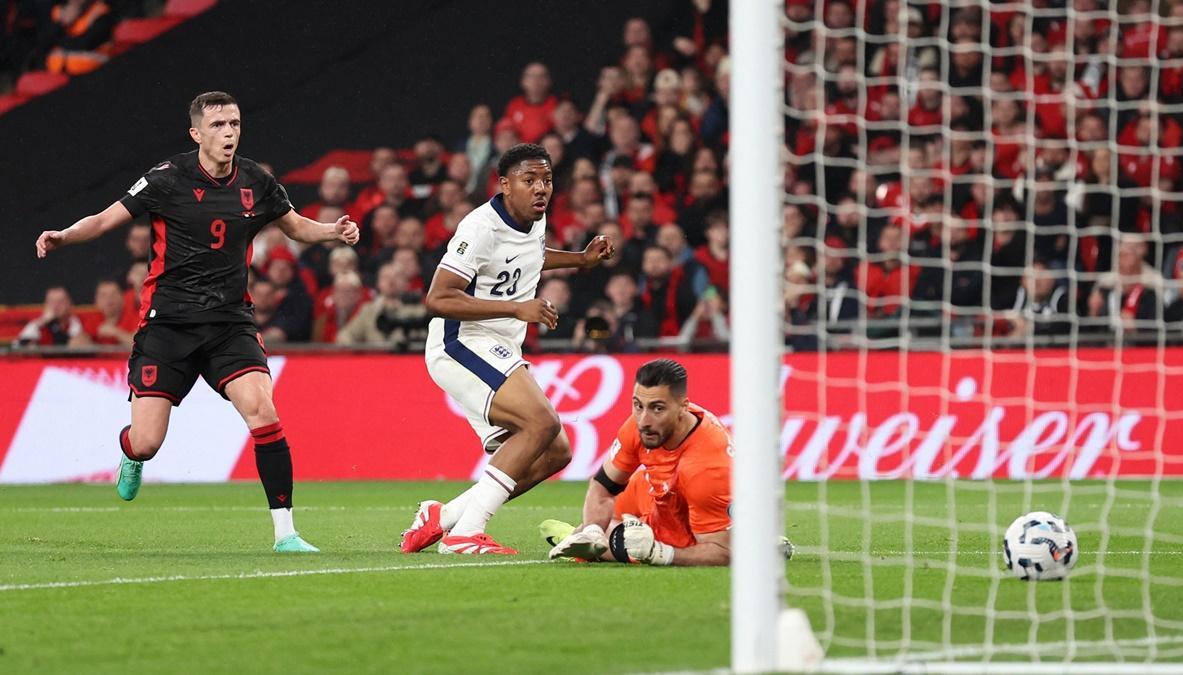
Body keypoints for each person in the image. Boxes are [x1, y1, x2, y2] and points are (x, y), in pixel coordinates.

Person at [34, 91, 359, 553]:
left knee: (263, 411)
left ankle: (286, 534)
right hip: (167, 326)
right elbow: (107, 219)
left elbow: (293, 225)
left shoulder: (256, 181)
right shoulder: (167, 178)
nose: (229, 133)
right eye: (219, 125)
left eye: (235, 123)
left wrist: (331, 231)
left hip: (229, 324)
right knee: (148, 442)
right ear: (196, 133)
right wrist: (64, 236)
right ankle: (130, 453)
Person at [400, 143, 614, 555]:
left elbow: (529, 258)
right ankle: (465, 534)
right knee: (541, 422)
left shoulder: (533, 218)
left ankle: (443, 518)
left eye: (547, 180)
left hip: (498, 344)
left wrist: (581, 261)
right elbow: (438, 297)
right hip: (461, 342)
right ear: (504, 184)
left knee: (555, 451)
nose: (541, 189)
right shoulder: (480, 227)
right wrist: (518, 307)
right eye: (529, 180)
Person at [540, 359, 742, 566]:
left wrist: (659, 553)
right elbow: (602, 486)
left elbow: (722, 553)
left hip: (691, 507)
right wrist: (593, 531)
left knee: (633, 543)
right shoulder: (639, 427)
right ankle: (583, 534)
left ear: (683, 407)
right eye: (638, 405)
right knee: (595, 525)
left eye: (657, 409)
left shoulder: (708, 469)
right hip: (655, 489)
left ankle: (570, 537)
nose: (644, 420)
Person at [16, 286, 88, 347]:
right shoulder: (37, 325)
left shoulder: (77, 322)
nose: (55, 306)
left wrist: (52, 324)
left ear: (69, 303)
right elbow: (18, 346)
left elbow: (67, 348)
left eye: (60, 301)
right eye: (51, 302)